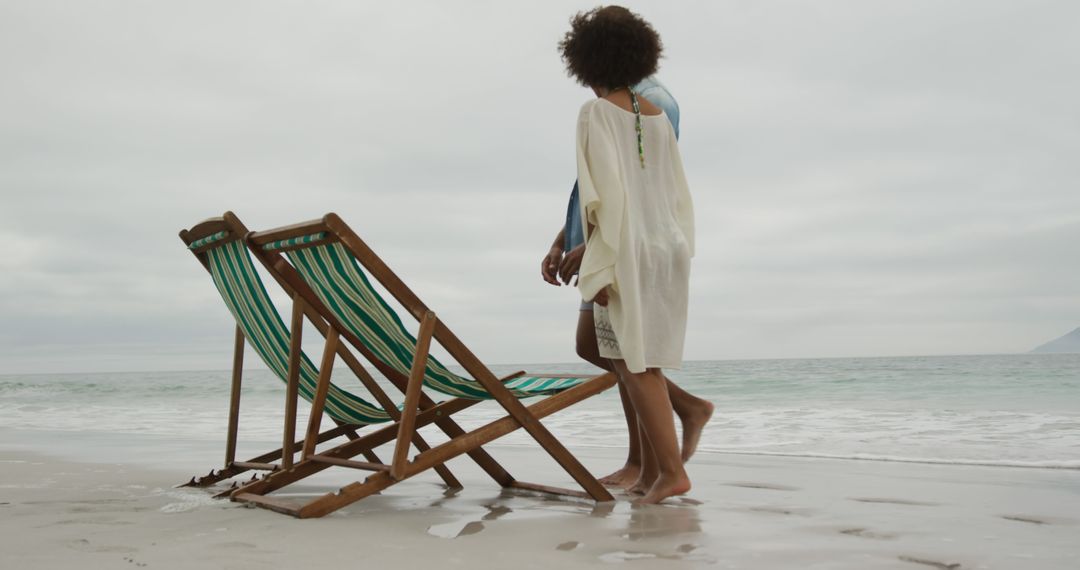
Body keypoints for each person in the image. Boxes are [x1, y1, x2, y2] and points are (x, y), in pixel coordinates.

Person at [549, 5, 705, 504]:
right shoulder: (657, 115)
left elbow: (602, 195)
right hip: (667, 244)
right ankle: (661, 469)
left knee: (632, 361)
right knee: (641, 357)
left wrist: (595, 250)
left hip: (626, 247)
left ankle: (672, 473)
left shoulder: (594, 113)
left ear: (585, 63)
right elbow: (672, 194)